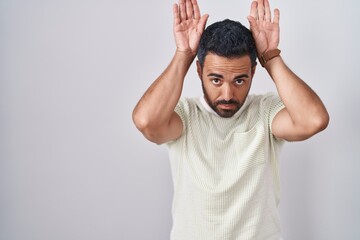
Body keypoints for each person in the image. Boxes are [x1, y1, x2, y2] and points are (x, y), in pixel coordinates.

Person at [132, 0, 329, 239]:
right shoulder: (185, 115)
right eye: (216, 80)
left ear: (253, 73)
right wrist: (183, 55)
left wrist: (271, 57)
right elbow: (146, 122)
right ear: (199, 71)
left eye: (239, 80)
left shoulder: (265, 111)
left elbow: (314, 120)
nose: (227, 94)